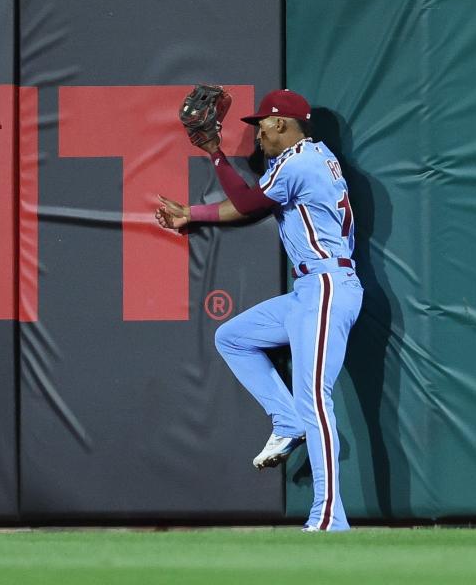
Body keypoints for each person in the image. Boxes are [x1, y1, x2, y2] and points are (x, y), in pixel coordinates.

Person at [155, 89, 362, 532]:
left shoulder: (300, 161)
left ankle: (329, 516)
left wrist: (202, 182)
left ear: (283, 125)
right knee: (232, 338)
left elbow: (247, 206)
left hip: (327, 285)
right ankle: (286, 421)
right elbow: (251, 206)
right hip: (311, 287)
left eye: (262, 125)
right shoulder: (311, 156)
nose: (257, 135)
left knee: (315, 398)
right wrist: (206, 176)